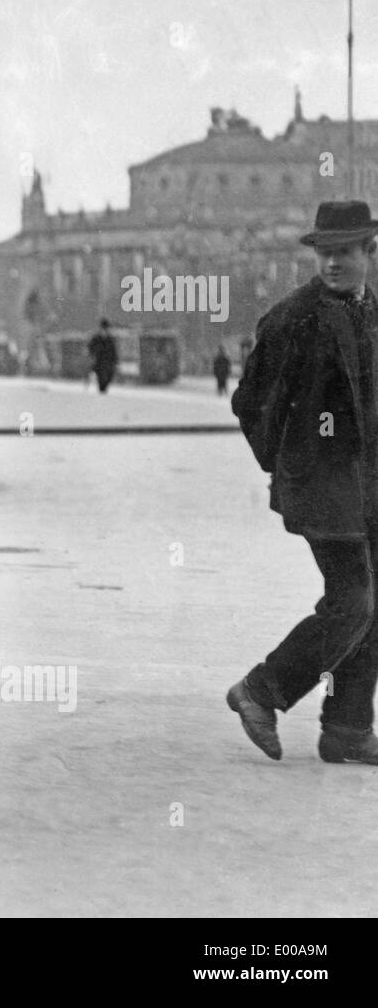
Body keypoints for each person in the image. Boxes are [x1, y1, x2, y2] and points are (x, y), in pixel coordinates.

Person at [228, 200, 378, 765]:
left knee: (373, 603)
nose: (334, 263)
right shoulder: (294, 318)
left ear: (369, 253)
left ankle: (347, 729)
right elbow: (251, 402)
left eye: (346, 252)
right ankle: (261, 691)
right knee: (353, 601)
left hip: (369, 486)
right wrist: (291, 464)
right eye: (326, 254)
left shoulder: (373, 312)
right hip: (324, 489)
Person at [88, 318, 118, 393]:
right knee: (101, 377)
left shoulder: (110, 339)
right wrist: (94, 353)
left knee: (109, 377)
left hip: (109, 362)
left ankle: (103, 389)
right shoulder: (96, 338)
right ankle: (102, 391)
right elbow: (90, 347)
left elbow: (113, 350)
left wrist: (115, 360)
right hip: (99, 361)